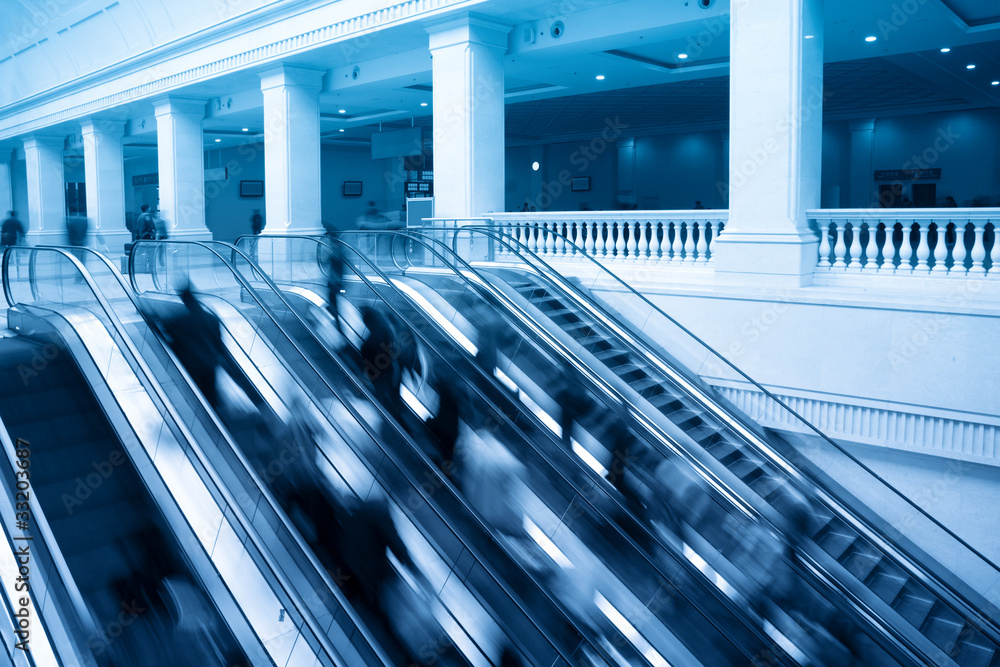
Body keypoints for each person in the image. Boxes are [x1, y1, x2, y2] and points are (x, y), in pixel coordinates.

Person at [164, 285, 226, 407]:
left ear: (185, 302)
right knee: (211, 392)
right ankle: (216, 414)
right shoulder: (211, 318)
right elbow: (218, 342)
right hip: (210, 363)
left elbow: (168, 330)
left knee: (198, 394)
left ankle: (204, 416)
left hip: (194, 365)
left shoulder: (180, 321)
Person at [65, 215, 89, 280]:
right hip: (82, 244)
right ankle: (82, 278)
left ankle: (78, 278)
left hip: (75, 245)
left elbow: (69, 234)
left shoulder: (71, 222)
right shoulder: (84, 220)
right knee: (82, 262)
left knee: (78, 262)